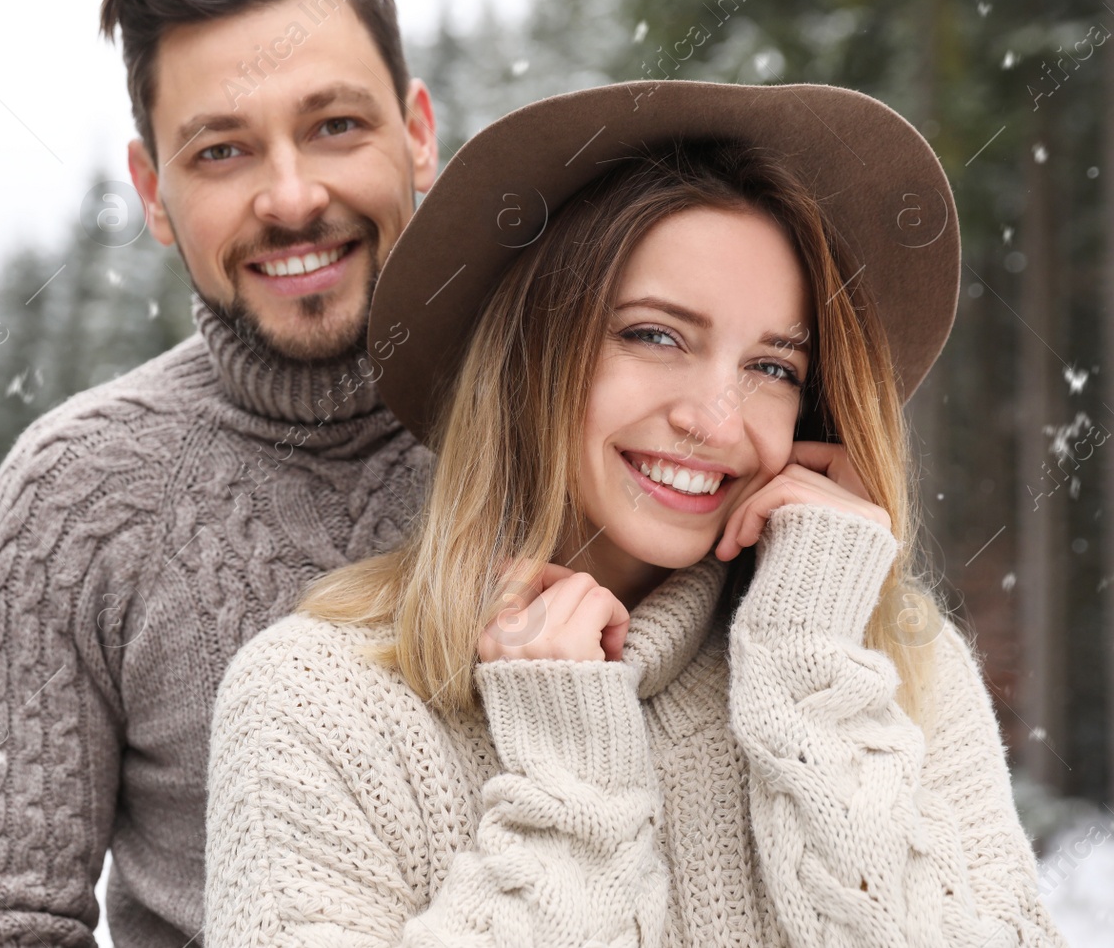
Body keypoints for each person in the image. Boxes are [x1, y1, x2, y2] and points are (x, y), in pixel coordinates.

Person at [204, 80, 1070, 946]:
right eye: (657, 335)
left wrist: (811, 674)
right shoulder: (321, 700)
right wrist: (572, 797)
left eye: (774, 367)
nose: (717, 421)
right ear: (527, 354)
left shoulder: (888, 660)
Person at [0, 0, 438, 947]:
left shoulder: (568, 426)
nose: (291, 197)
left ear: (417, 132)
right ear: (153, 192)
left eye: (333, 125)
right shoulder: (73, 497)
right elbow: (3, 924)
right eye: (222, 152)